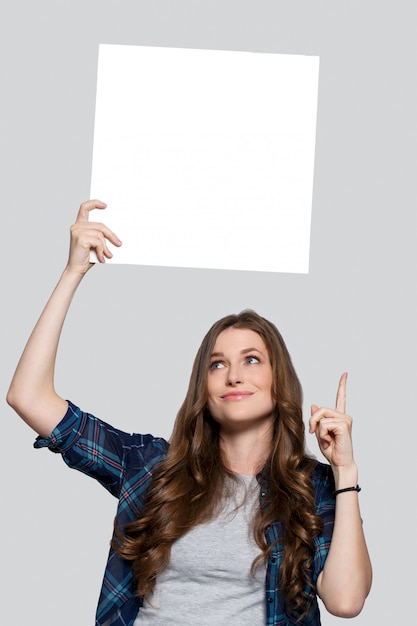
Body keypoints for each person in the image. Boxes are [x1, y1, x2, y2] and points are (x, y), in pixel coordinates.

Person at [7, 200, 372, 626]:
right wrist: (73, 273)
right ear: (204, 386)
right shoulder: (151, 467)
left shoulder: (314, 487)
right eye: (217, 364)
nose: (233, 375)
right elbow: (28, 397)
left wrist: (345, 473)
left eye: (252, 359)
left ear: (280, 381)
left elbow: (346, 601)